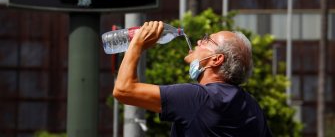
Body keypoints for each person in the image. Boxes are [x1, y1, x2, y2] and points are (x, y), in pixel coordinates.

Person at [113, 21, 273, 137]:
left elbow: (123, 89)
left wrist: (137, 44)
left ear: (216, 59)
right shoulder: (252, 107)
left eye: (206, 40)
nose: (198, 41)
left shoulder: (197, 98)